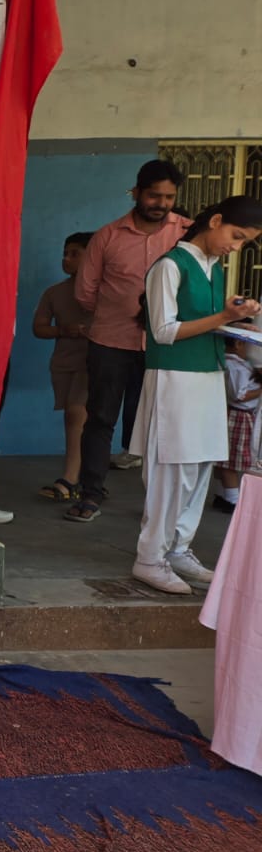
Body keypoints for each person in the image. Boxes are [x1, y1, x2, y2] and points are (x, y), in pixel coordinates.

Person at [128, 197, 262, 594]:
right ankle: (149, 557)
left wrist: (232, 319)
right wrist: (224, 318)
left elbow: (201, 322)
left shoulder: (212, 266)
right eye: (236, 236)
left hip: (206, 376)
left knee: (200, 467)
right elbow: (163, 331)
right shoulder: (170, 266)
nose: (236, 246)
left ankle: (178, 548)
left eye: (245, 242)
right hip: (174, 378)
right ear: (215, 221)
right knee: (172, 472)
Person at [67, 161, 192, 522]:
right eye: (154, 195)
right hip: (111, 342)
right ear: (136, 193)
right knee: (100, 418)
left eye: (168, 197)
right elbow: (85, 292)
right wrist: (120, 311)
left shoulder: (186, 233)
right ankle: (91, 494)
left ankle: (158, 503)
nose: (161, 203)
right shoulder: (107, 236)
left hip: (165, 345)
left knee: (161, 425)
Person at [32, 231, 94, 501]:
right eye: (65, 254)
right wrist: (62, 330)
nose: (66, 259)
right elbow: (39, 327)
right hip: (64, 361)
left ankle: (71, 478)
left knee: (76, 413)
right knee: (74, 416)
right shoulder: (54, 292)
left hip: (93, 361)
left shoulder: (104, 290)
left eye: (75, 254)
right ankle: (86, 477)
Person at [214, 333, 262, 514]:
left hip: (238, 415)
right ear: (238, 343)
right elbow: (239, 395)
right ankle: (232, 500)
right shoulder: (235, 366)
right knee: (231, 461)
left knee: (227, 459)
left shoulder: (237, 364)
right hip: (238, 415)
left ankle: (223, 495)